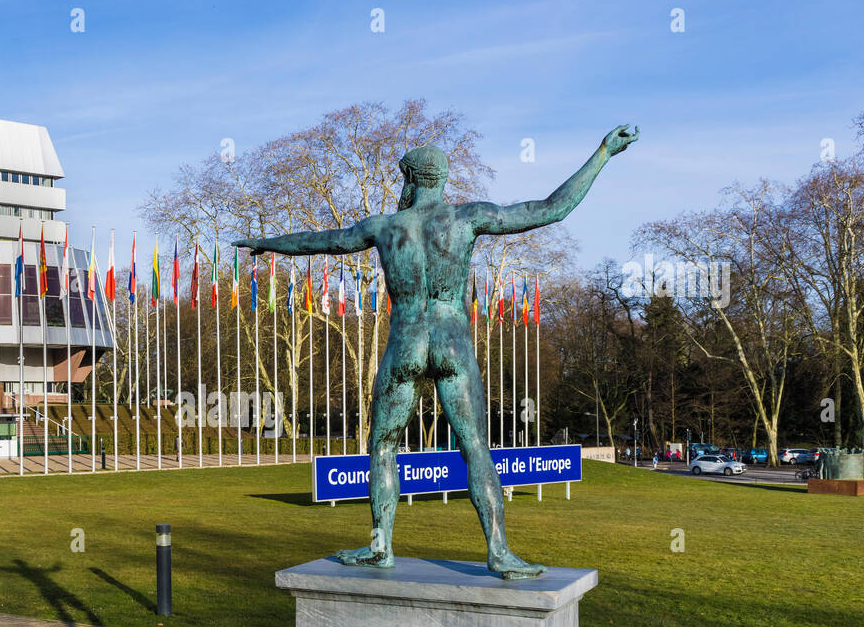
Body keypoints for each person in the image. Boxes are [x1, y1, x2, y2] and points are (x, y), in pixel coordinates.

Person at [234, 125, 640, 578]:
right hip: (450, 341)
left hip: (406, 340)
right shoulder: (466, 218)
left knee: (383, 445)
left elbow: (324, 240)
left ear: (410, 180)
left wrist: (266, 244)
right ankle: (499, 550)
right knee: (476, 448)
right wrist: (603, 153)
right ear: (443, 180)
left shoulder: (385, 227)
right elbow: (551, 209)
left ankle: (380, 544)